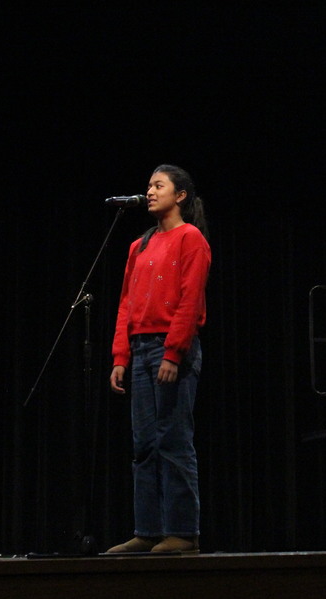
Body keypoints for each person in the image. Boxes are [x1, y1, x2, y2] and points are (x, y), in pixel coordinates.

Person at [107, 164, 211, 554]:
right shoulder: (140, 245)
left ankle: (183, 532)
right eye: (148, 185)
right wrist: (121, 355)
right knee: (144, 444)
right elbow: (126, 304)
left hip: (172, 348)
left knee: (173, 439)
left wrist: (174, 351)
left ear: (180, 195)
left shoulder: (191, 238)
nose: (149, 191)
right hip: (140, 350)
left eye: (158, 185)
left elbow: (189, 300)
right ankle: (148, 530)